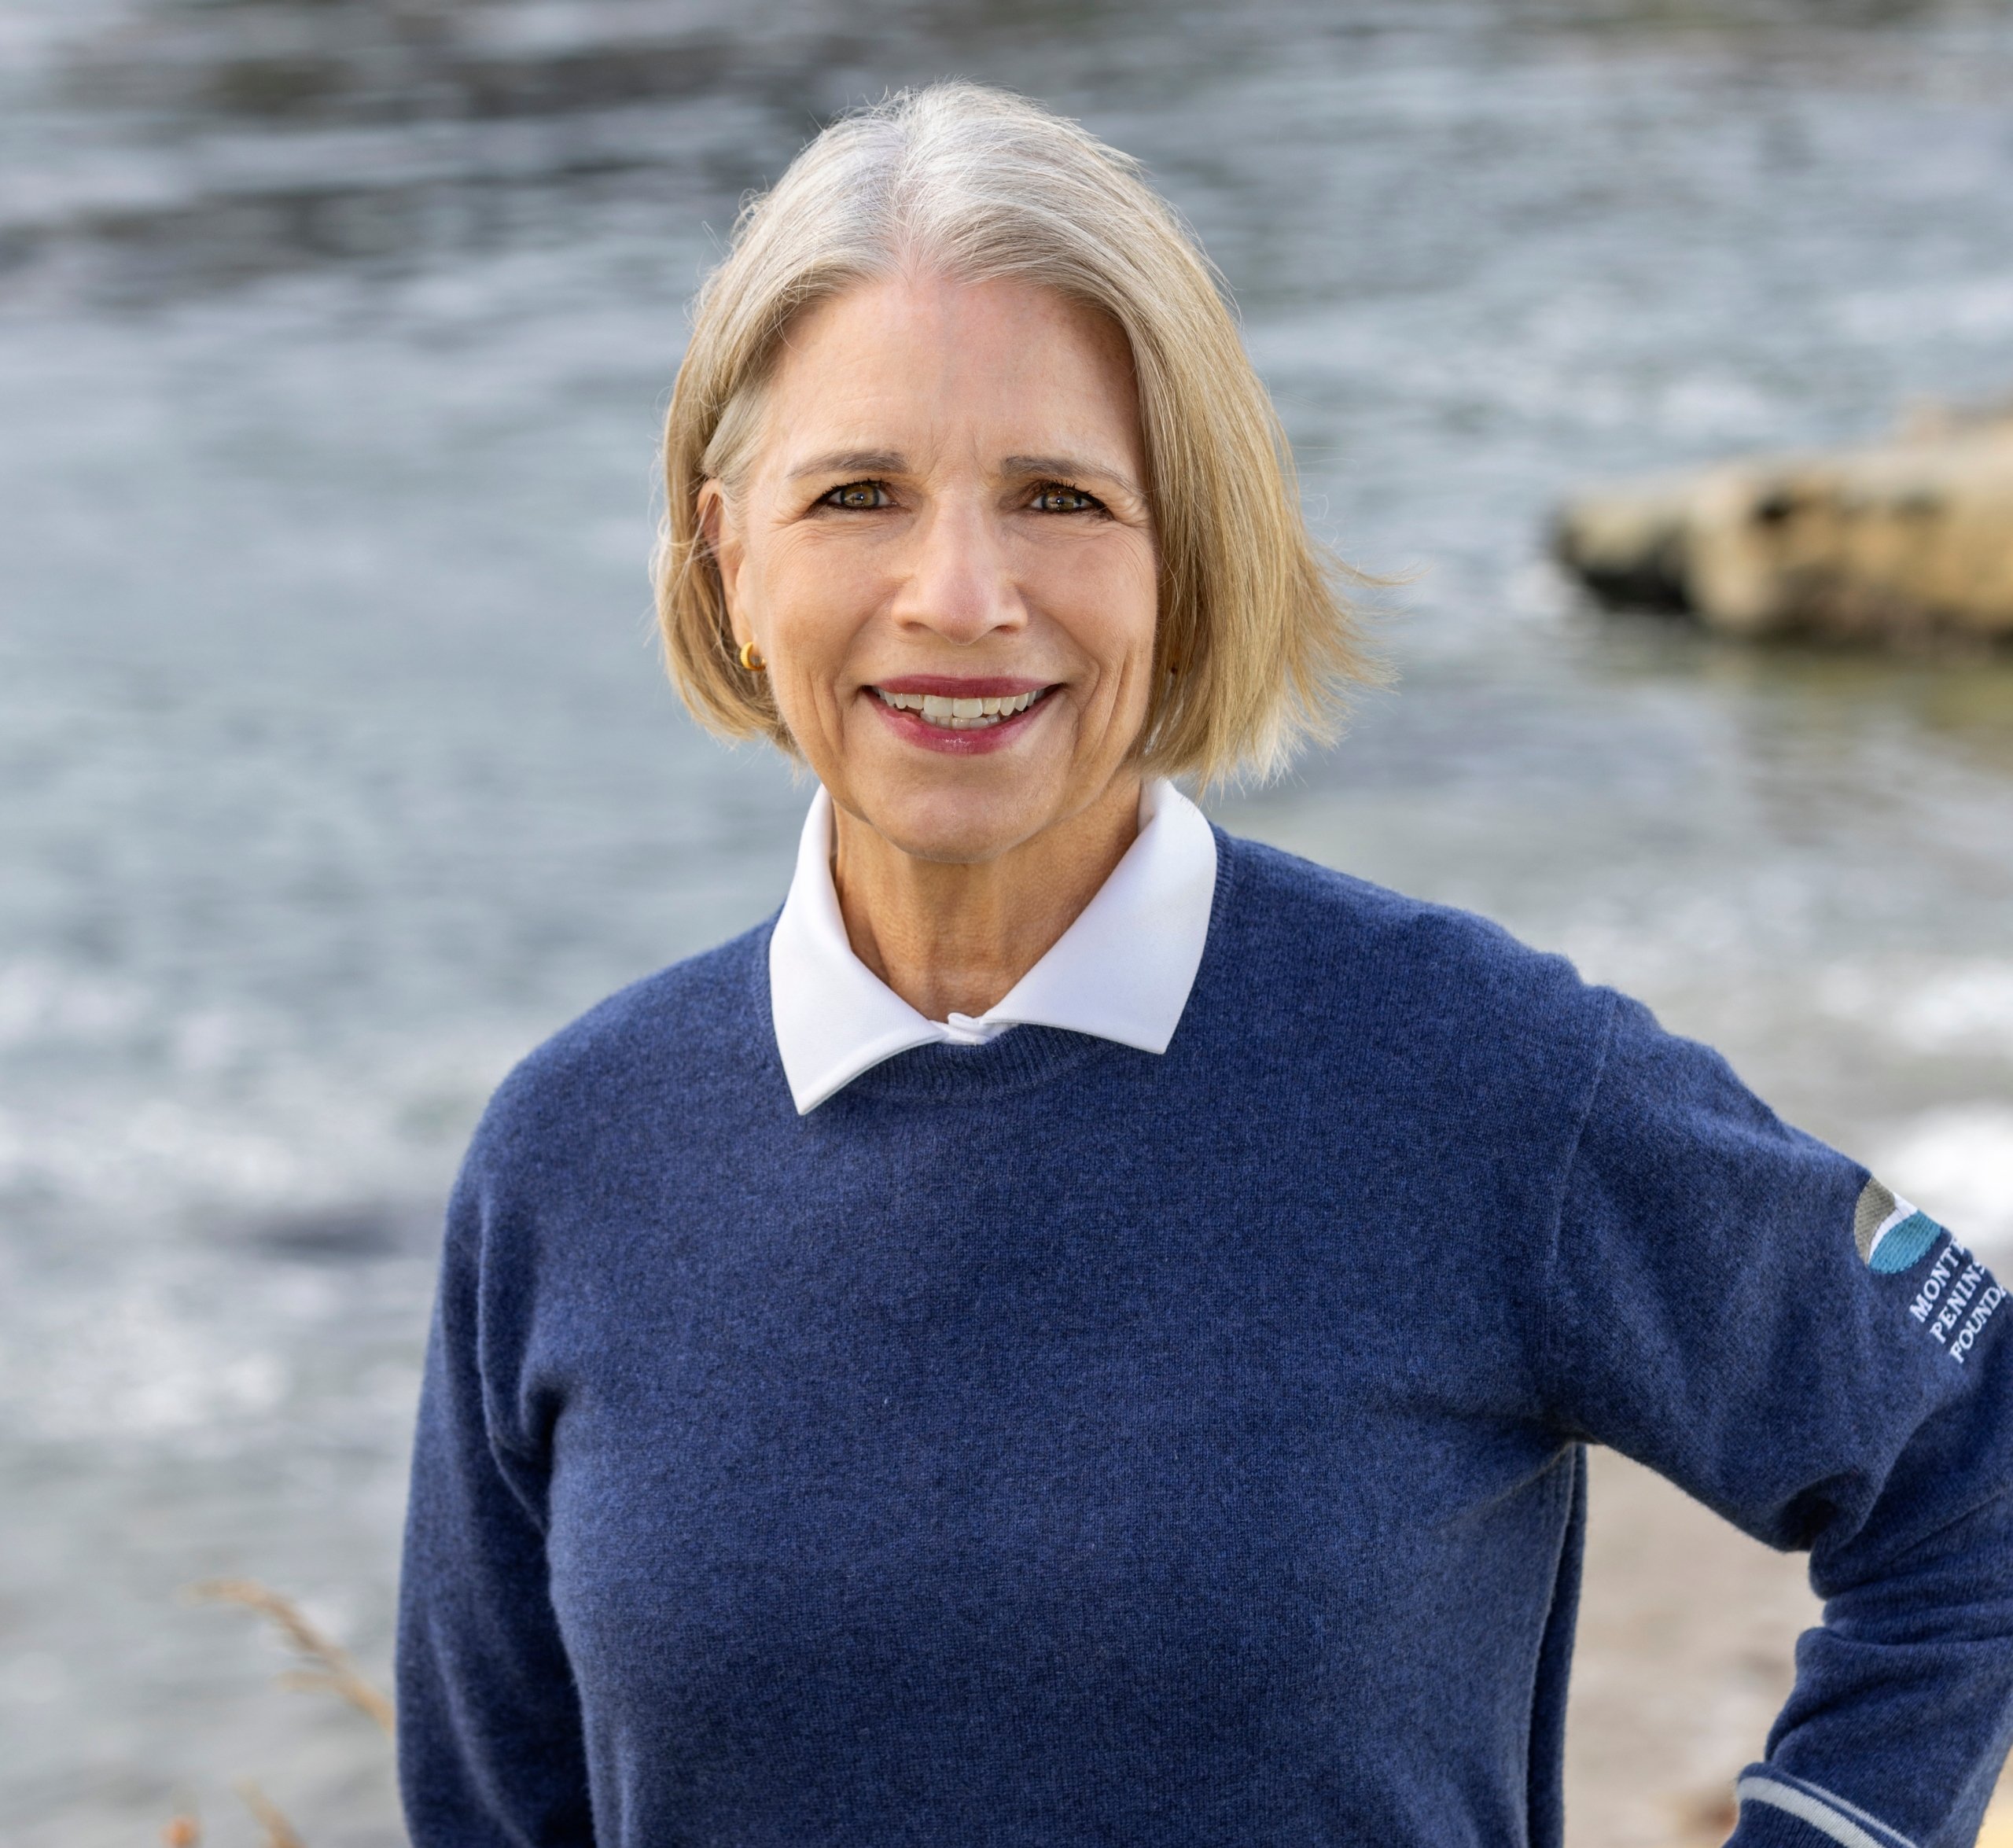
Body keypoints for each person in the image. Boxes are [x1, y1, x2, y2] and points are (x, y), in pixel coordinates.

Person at [396, 82, 2013, 1848]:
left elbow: (1971, 1465)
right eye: (857, 492)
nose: (956, 593)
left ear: (1187, 552)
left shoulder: (1477, 1079)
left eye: (1058, 498)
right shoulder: (570, 1156)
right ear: (727, 557)